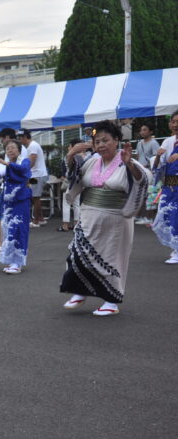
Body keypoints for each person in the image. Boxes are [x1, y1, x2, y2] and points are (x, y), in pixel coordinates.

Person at [60, 120, 150, 315]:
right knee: (77, 252)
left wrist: (130, 165)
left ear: (116, 140)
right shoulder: (92, 162)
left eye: (105, 140)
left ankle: (111, 301)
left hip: (115, 220)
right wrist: (70, 155)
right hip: (88, 216)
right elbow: (75, 177)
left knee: (111, 259)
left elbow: (144, 179)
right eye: (97, 141)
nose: (100, 145)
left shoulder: (126, 160)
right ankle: (79, 291)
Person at [0, 140, 31, 274]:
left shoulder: (24, 161)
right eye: (8, 148)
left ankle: (17, 263)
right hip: (9, 201)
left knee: (19, 229)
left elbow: (23, 170)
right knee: (8, 230)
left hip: (21, 200)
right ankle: (11, 261)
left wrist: (5, 163)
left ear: (19, 150)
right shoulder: (5, 164)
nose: (10, 150)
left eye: (13, 147)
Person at [152, 111, 178, 264]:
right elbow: (158, 167)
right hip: (170, 184)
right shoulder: (168, 141)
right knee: (167, 215)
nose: (175, 125)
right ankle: (175, 248)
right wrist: (157, 156)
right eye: (173, 122)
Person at [18, 129, 48, 227]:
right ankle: (41, 219)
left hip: (37, 175)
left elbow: (32, 162)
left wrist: (23, 172)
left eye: (20, 138)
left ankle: (36, 221)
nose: (19, 140)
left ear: (25, 137)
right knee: (35, 197)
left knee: (35, 198)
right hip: (36, 175)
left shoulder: (33, 146)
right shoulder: (31, 146)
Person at [59, 139, 85, 232]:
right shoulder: (83, 157)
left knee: (66, 203)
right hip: (79, 183)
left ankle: (65, 225)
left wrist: (64, 177)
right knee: (76, 204)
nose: (68, 148)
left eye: (70, 146)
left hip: (70, 183)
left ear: (74, 147)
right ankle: (76, 224)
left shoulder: (69, 157)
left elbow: (64, 172)